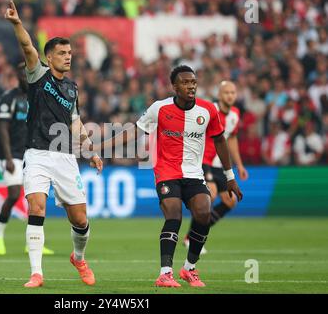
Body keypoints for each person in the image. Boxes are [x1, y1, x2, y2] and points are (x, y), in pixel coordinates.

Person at [95, 65, 243, 287]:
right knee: (173, 214)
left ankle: (189, 269)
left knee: (203, 213)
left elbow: (221, 140)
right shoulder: (159, 108)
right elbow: (135, 131)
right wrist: (102, 147)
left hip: (194, 173)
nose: (190, 86)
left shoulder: (207, 110)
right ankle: (165, 273)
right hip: (167, 172)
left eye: (193, 82)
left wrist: (230, 175)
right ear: (174, 87)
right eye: (185, 82)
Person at [5, 0, 103, 288]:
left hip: (65, 157)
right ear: (49, 56)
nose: (68, 57)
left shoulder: (72, 89)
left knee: (80, 219)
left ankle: (79, 258)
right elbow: (27, 48)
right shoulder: (38, 75)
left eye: (70, 53)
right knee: (36, 208)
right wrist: (17, 24)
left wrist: (92, 152)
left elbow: (75, 123)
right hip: (36, 154)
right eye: (62, 53)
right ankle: (36, 273)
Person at [0, 63, 55, 257]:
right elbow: (2, 129)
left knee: (35, 198)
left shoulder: (39, 97)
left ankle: (32, 243)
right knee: (13, 194)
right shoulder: (9, 98)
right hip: (11, 155)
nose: (25, 76)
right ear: (18, 76)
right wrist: (9, 157)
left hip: (33, 153)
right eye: (21, 73)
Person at [183, 81, 249, 254]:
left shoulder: (235, 114)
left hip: (220, 165)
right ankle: (193, 238)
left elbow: (231, 139)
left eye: (233, 92)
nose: (230, 96)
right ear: (219, 95)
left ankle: (192, 235)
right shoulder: (209, 110)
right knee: (209, 195)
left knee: (229, 201)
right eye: (226, 92)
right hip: (204, 161)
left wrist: (239, 164)